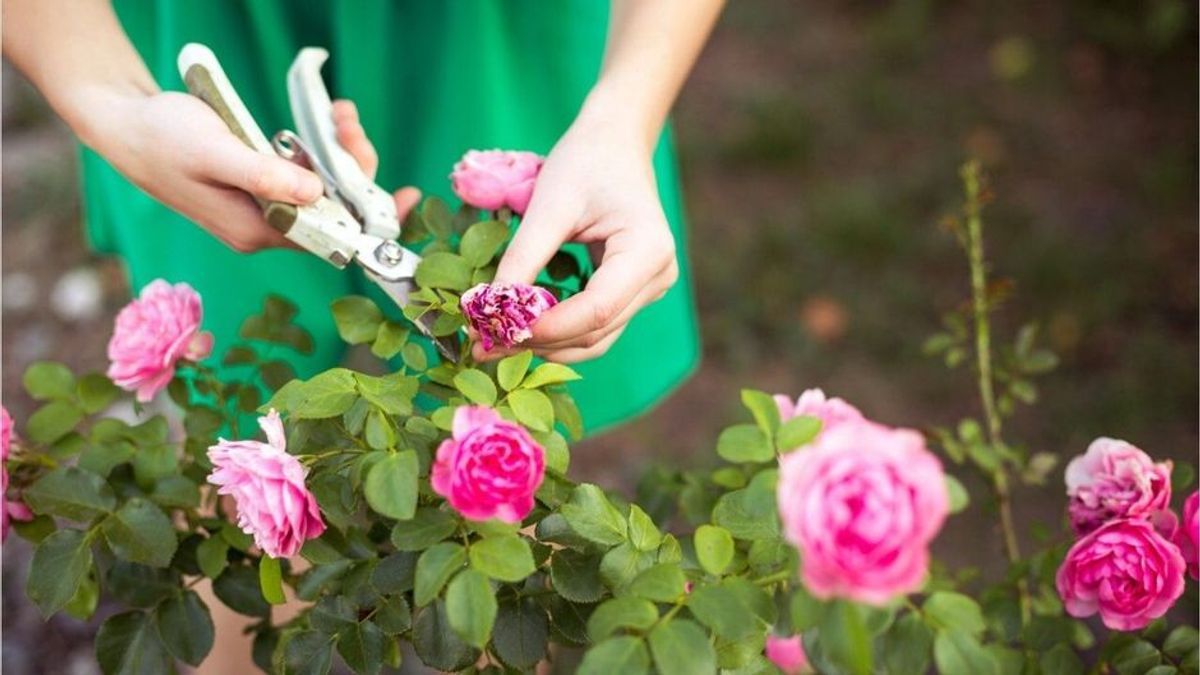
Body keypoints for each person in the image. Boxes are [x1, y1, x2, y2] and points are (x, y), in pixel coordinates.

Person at [5, 0, 722, 437]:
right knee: (240, 446)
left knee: (510, 469)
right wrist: (116, 105)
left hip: (490, 34)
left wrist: (622, 118)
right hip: (222, 15)